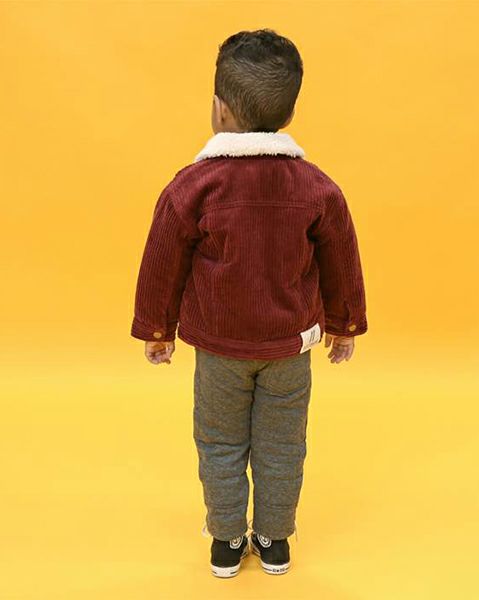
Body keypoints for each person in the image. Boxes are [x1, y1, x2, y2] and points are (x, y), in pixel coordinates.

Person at [130, 28, 368, 578]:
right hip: (291, 349)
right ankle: (275, 540)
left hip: (219, 351)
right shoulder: (317, 187)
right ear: (289, 113)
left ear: (219, 109)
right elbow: (342, 258)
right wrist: (345, 324)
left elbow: (162, 259)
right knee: (283, 445)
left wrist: (157, 329)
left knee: (219, 441)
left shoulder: (192, 187)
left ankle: (227, 541)